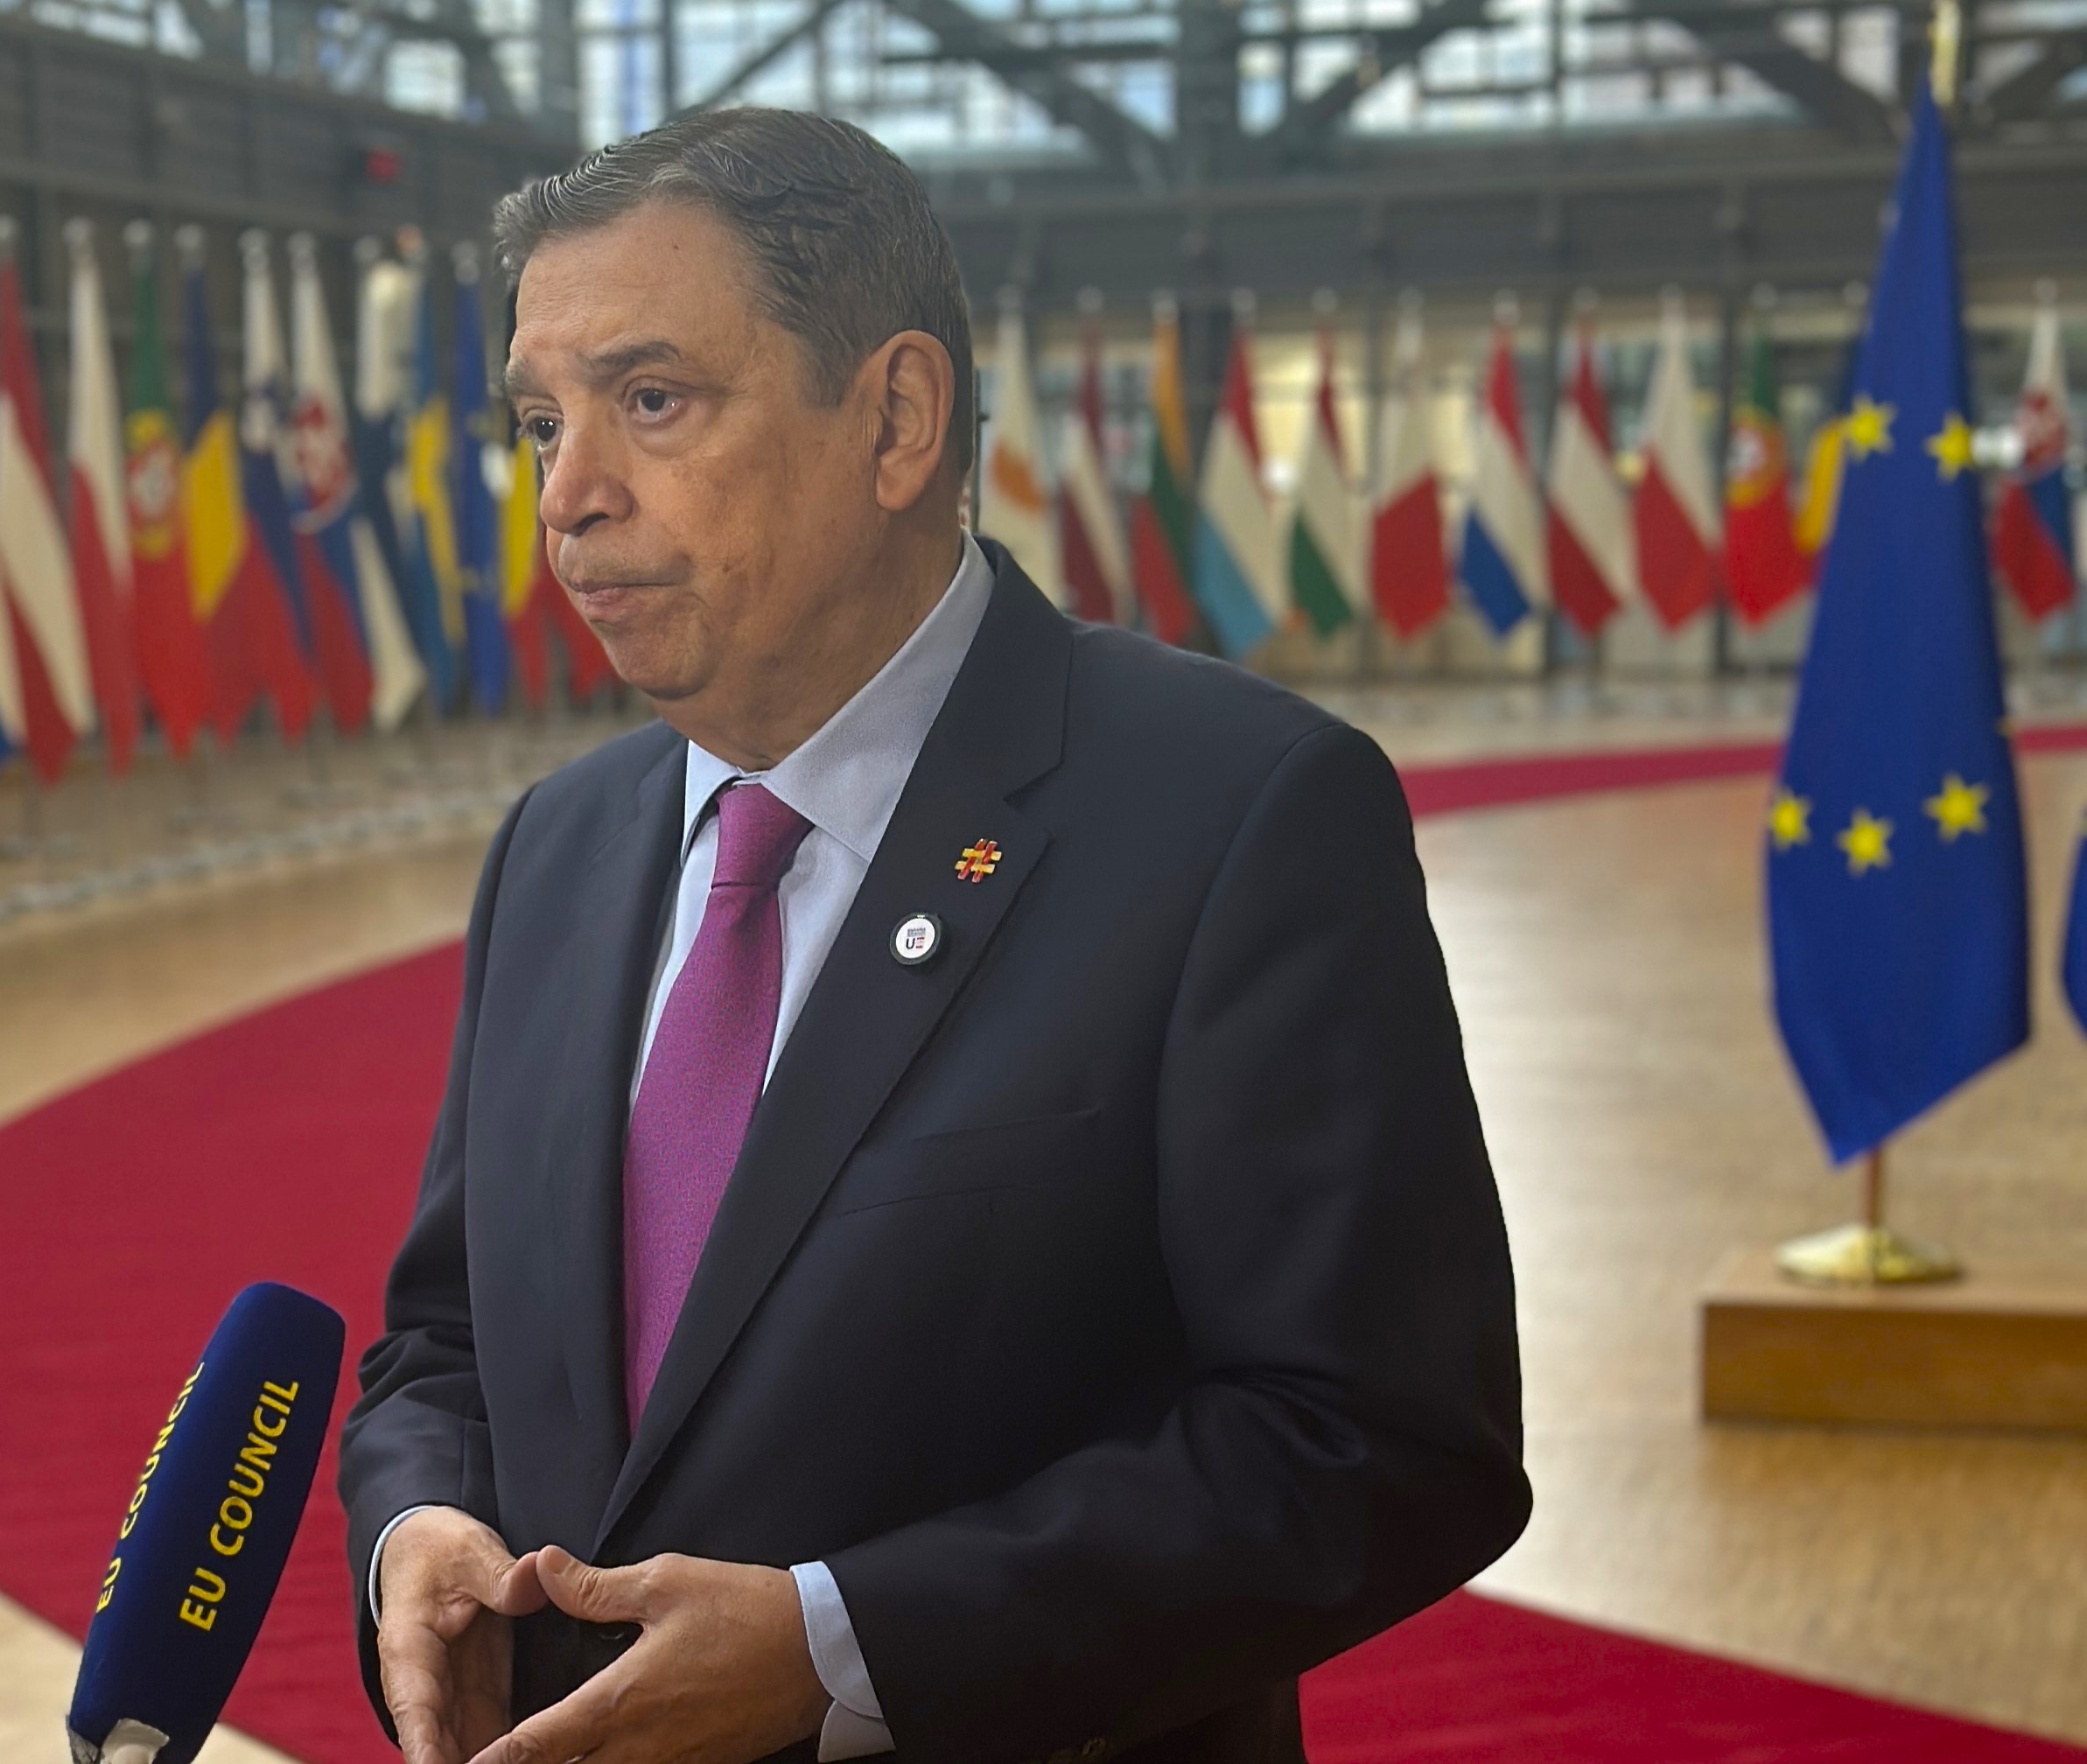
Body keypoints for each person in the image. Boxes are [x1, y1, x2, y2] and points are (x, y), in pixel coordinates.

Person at [339, 108, 1530, 1764]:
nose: (569, 498)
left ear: (896, 418)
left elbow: (1382, 1441)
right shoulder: (556, 847)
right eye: (543, 422)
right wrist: (419, 1533)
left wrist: (849, 1651)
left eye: (652, 401)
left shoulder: (1241, 815)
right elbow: (447, 1342)